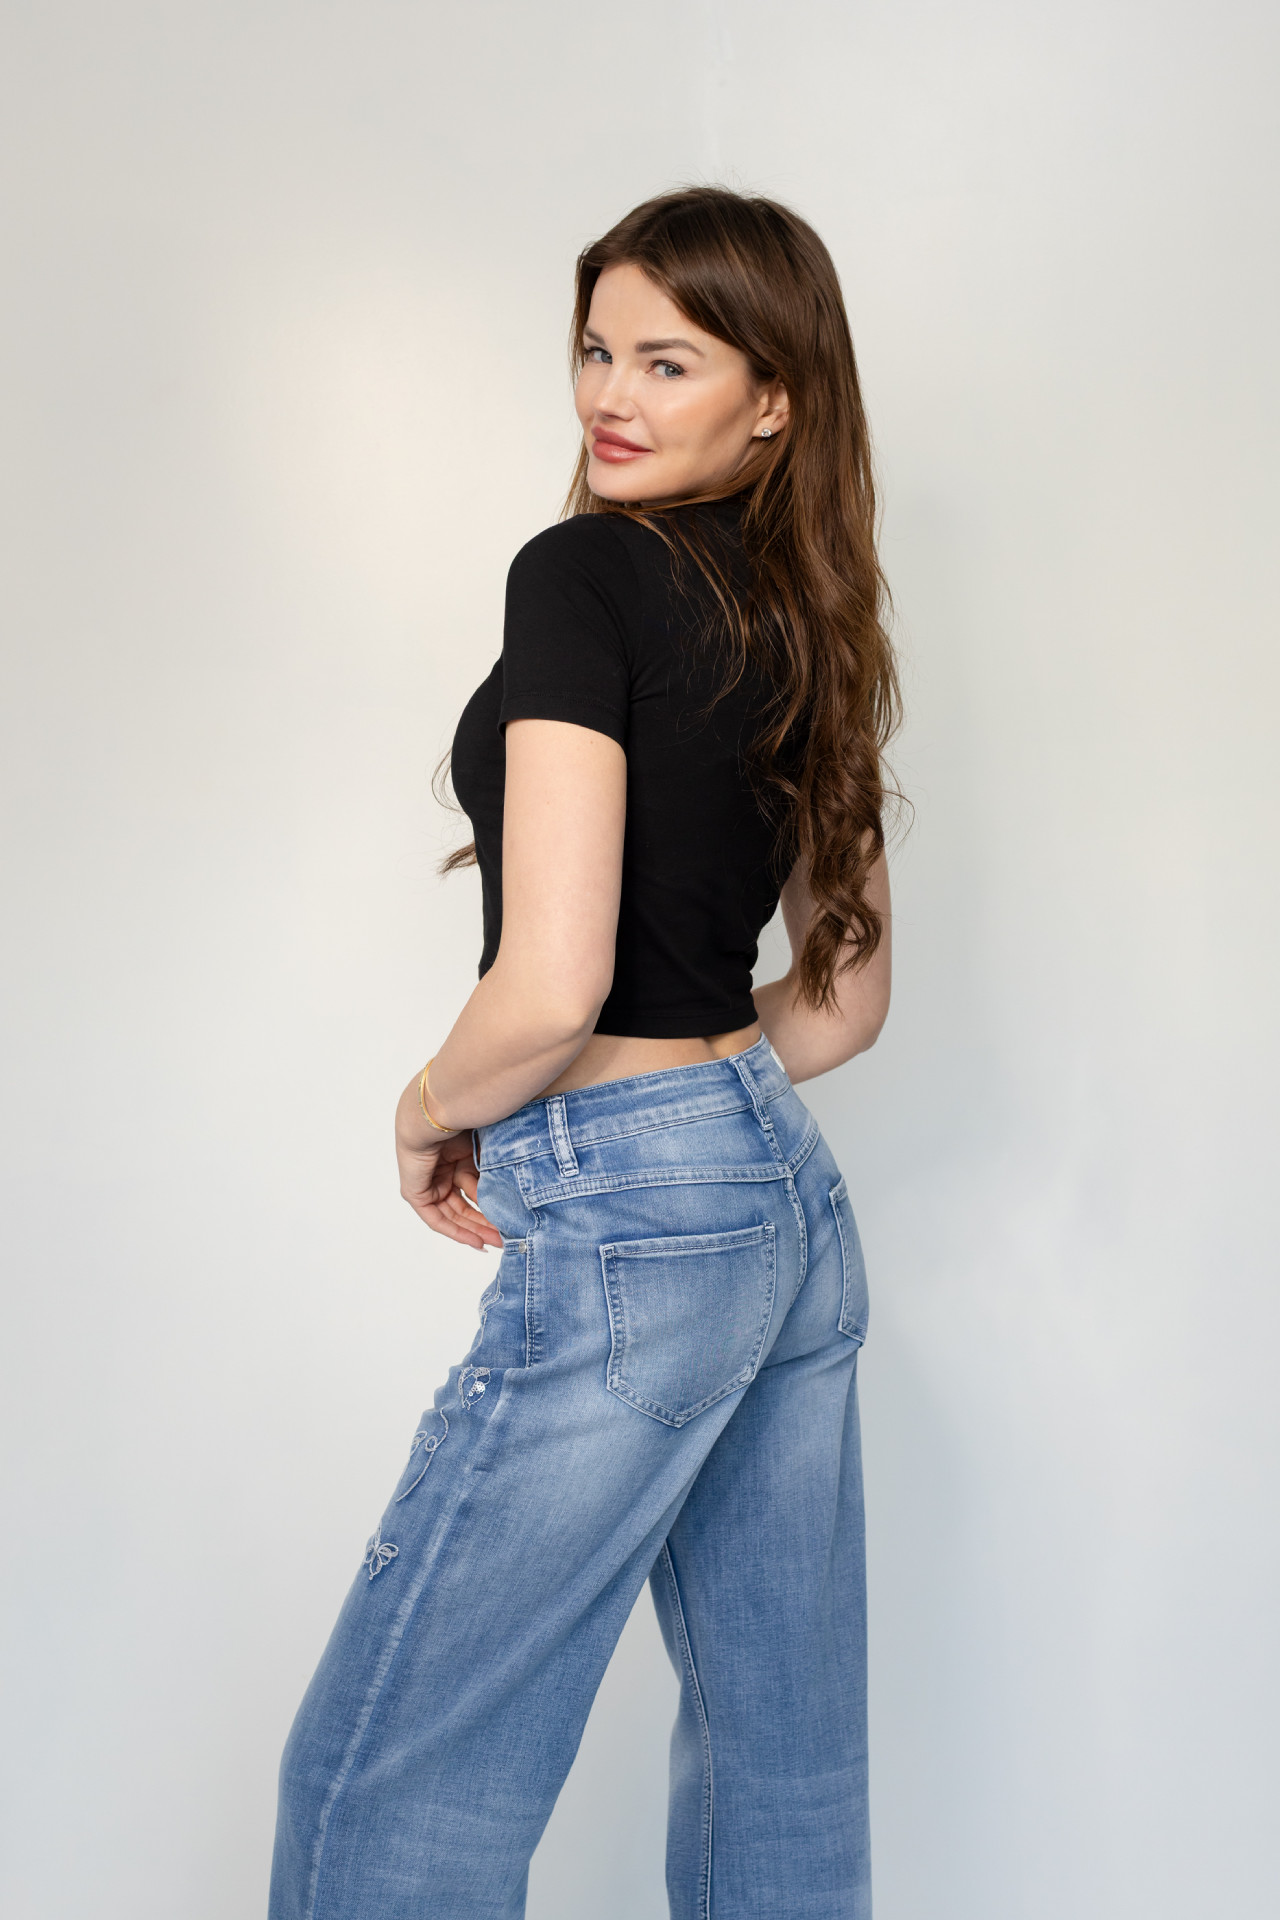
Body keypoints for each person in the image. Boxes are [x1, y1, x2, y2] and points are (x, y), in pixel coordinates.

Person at [270, 185, 899, 1920]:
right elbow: (843, 1004)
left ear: (772, 399)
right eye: (596, 349)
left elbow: (552, 989)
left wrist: (428, 1108)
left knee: (384, 1781)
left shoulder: (581, 574)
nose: (610, 395)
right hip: (786, 1212)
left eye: (667, 361)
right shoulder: (819, 612)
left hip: (636, 1225)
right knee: (780, 1760)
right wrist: (701, 1096)